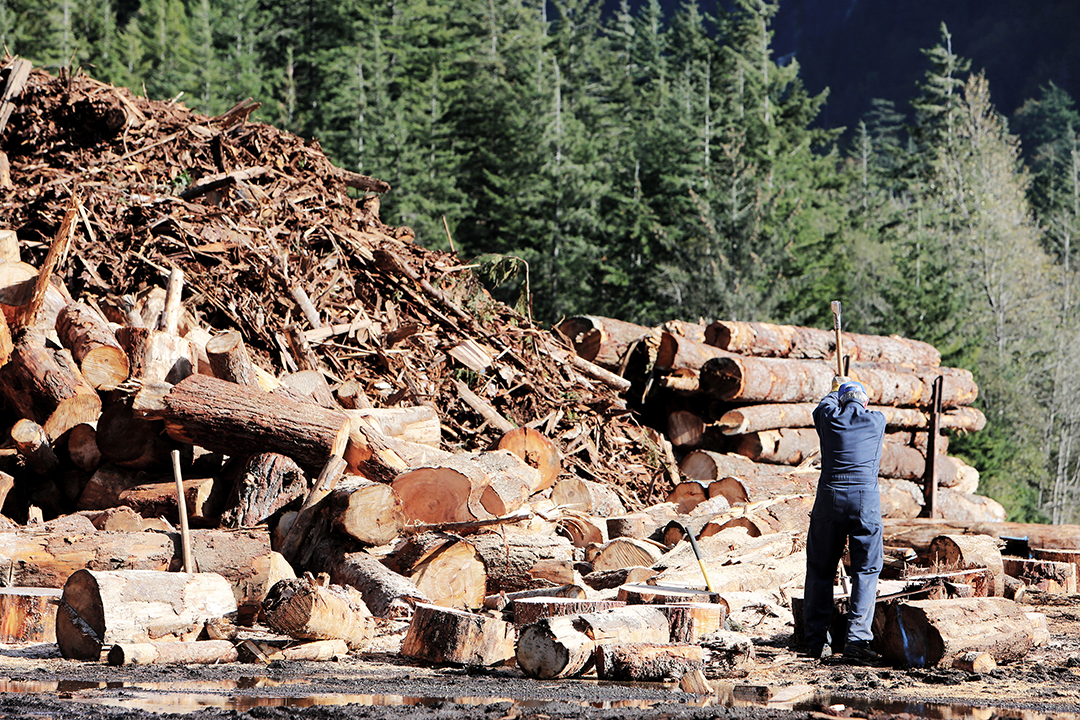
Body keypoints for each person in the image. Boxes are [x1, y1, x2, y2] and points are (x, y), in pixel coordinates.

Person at [802, 377, 886, 663]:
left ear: (841, 401)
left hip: (830, 498)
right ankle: (857, 641)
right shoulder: (877, 420)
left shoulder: (828, 418)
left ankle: (816, 642)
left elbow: (822, 406)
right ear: (865, 402)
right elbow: (858, 404)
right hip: (866, 502)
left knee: (820, 569)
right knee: (866, 571)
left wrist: (832, 388)